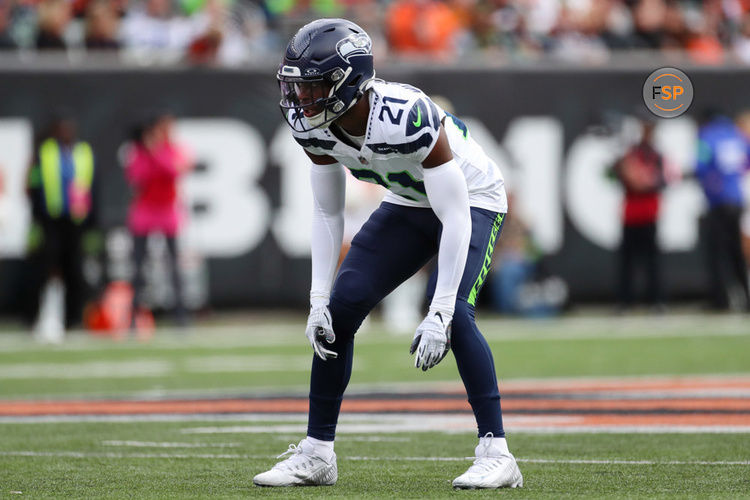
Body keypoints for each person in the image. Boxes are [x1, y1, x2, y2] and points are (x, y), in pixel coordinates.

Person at [253, 19, 522, 490]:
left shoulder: (405, 114)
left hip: (472, 199)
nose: (302, 100)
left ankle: (496, 452)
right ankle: (317, 452)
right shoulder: (312, 127)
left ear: (349, 81)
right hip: (409, 201)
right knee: (341, 309)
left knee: (456, 315)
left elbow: (456, 215)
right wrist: (318, 298)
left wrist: (437, 310)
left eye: (314, 86)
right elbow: (326, 212)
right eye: (297, 87)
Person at [26, 112, 95, 330]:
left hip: (75, 221)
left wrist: (91, 220)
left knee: (74, 270)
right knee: (45, 269)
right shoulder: (45, 152)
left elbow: (92, 185)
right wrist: (37, 217)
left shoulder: (83, 152)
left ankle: (72, 319)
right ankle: (36, 317)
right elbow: (33, 184)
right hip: (50, 221)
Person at [125, 111, 191, 328]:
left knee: (174, 266)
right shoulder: (138, 152)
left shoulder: (171, 150)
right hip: (144, 211)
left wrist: (155, 153)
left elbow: (174, 170)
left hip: (168, 210)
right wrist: (149, 153)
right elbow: (137, 178)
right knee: (138, 267)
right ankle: (134, 317)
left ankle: (180, 317)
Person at [695, 111, 750, 311]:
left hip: (718, 202)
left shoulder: (706, 137)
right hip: (736, 200)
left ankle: (720, 301)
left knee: (716, 253)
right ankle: (746, 297)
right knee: (737, 252)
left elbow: (699, 166)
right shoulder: (736, 136)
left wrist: (713, 184)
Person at [613, 118, 665, 310]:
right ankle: (625, 301)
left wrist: (644, 180)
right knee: (627, 261)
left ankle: (656, 300)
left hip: (649, 213)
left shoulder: (656, 155)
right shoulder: (629, 154)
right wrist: (625, 171)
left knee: (652, 260)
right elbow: (616, 177)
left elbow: (661, 181)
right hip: (631, 214)